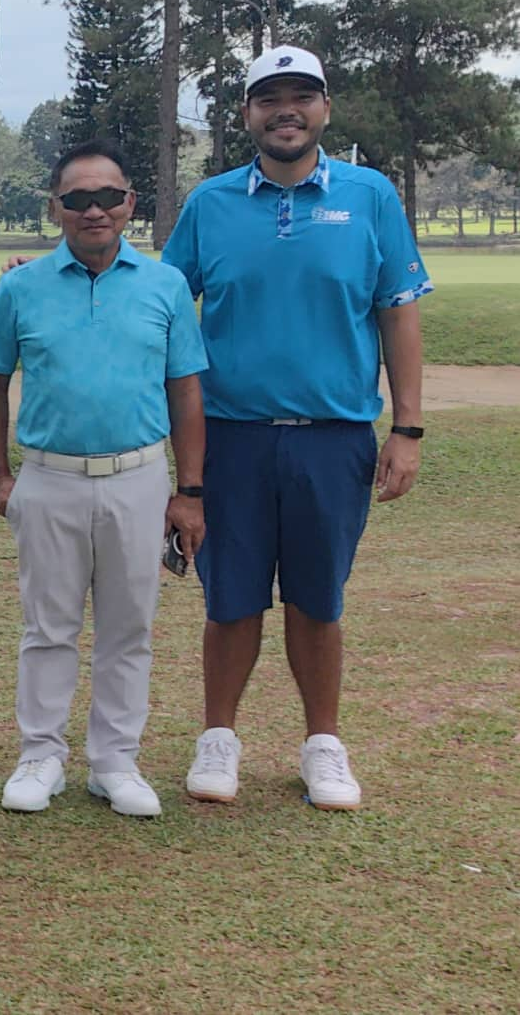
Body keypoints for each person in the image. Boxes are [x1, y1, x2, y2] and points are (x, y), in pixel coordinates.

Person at [163, 47, 430, 811]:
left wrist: (406, 426)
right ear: (245, 113)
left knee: (318, 598)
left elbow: (398, 309)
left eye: (300, 97)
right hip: (229, 435)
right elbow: (159, 299)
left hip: (332, 434)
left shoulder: (369, 195)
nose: (285, 110)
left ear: (324, 108)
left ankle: (322, 744)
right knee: (229, 598)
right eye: (267, 98)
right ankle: (218, 738)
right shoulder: (210, 203)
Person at [0, 140, 208, 818]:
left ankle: (114, 760)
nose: (94, 210)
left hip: (138, 477)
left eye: (108, 196)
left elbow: (185, 392)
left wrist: (186, 490)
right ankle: (39, 755)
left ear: (130, 203)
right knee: (46, 627)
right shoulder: (21, 287)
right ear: (56, 209)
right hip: (49, 477)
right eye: (77, 199)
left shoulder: (163, 285)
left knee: (127, 627)